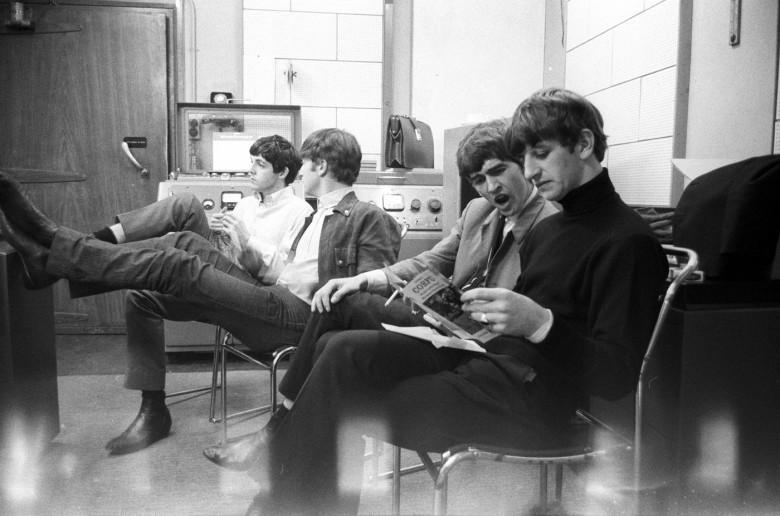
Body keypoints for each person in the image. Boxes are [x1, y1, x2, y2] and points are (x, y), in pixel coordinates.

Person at [210, 88, 669, 516]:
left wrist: (540, 323)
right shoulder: (552, 229)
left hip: (532, 402)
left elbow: (616, 377)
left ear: (584, 143)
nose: (529, 170)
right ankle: (287, 497)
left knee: (346, 391)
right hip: (485, 362)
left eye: (540, 153)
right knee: (342, 350)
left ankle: (282, 499)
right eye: (524, 156)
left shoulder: (626, 241)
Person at [0, 128, 403, 456]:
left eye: (306, 163)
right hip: (271, 294)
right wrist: (248, 252)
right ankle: (152, 409)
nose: (302, 173)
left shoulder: (368, 216)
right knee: (181, 244)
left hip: (299, 318)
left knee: (177, 263)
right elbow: (277, 271)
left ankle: (54, 249)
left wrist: (326, 288)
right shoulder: (314, 215)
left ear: (322, 164)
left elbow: (365, 300)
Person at [202, 118, 558, 467]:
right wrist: (367, 279)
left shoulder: (551, 226)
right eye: (478, 180)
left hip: (486, 352)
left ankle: (277, 431)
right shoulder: (479, 210)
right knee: (340, 301)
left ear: (524, 165)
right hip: (443, 328)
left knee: (338, 343)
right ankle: (279, 433)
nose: (489, 188)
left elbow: (539, 319)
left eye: (498, 172)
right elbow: (433, 260)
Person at [90, 134, 312, 281]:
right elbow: (226, 242)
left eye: (260, 164)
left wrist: (247, 240)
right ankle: (100, 241)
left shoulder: (301, 213)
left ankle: (95, 250)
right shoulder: (246, 203)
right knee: (186, 203)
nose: (250, 169)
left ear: (282, 173)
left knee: (178, 241)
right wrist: (218, 229)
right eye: (251, 161)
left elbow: (285, 275)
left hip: (249, 279)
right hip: (225, 258)